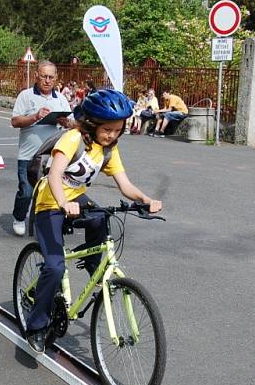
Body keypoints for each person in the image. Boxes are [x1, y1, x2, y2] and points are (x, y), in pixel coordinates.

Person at [22, 89, 162, 353]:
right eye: (107, 129)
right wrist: (64, 203)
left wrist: (145, 198)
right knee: (54, 266)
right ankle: (37, 326)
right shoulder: (73, 139)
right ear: (92, 124)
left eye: (117, 130)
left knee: (101, 219)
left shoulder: (109, 150)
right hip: (50, 202)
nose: (112, 135)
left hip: (76, 200)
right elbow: (54, 175)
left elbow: (124, 184)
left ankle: (95, 269)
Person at [10, 60, 73, 237]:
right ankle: (19, 217)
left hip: (52, 156)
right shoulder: (26, 95)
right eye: (43, 76)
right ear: (36, 76)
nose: (47, 80)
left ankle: (45, 223)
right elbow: (15, 121)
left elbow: (72, 123)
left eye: (50, 77)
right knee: (26, 191)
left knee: (50, 192)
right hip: (28, 154)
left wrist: (65, 121)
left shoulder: (60, 99)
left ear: (56, 78)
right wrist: (35, 116)